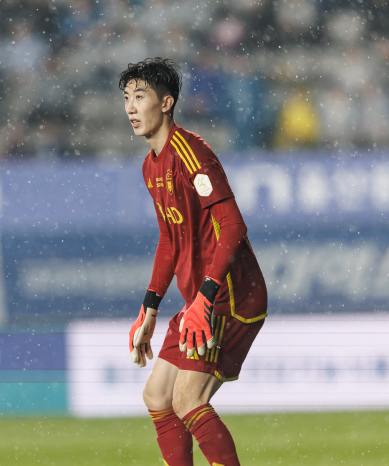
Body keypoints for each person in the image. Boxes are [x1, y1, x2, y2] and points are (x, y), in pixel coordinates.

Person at [122, 58, 268, 466]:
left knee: (188, 399)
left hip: (230, 296)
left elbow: (232, 225)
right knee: (157, 396)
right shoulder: (152, 166)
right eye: (127, 99)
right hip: (201, 300)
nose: (131, 108)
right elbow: (170, 239)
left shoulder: (190, 152)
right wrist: (149, 308)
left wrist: (204, 297)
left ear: (166, 103)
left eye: (140, 97)